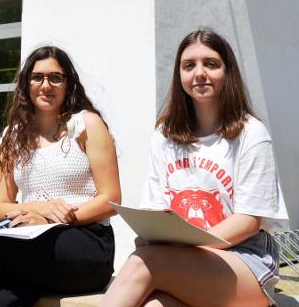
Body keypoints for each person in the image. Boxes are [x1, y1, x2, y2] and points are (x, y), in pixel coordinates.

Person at [101, 29, 288, 307]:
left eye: (210, 64)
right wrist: (152, 238)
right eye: (189, 65)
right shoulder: (164, 134)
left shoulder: (251, 134)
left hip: (244, 262)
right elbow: (155, 209)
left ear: (228, 72)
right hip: (178, 260)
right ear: (179, 75)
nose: (199, 73)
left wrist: (177, 250)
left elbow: (248, 222)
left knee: (143, 262)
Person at [0, 45, 121, 307]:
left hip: (87, 246)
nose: (45, 85)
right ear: (26, 84)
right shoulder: (13, 135)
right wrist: (40, 208)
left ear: (68, 83)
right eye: (37, 77)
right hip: (32, 250)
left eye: (55, 78)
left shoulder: (86, 124)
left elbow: (111, 199)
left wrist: (51, 217)